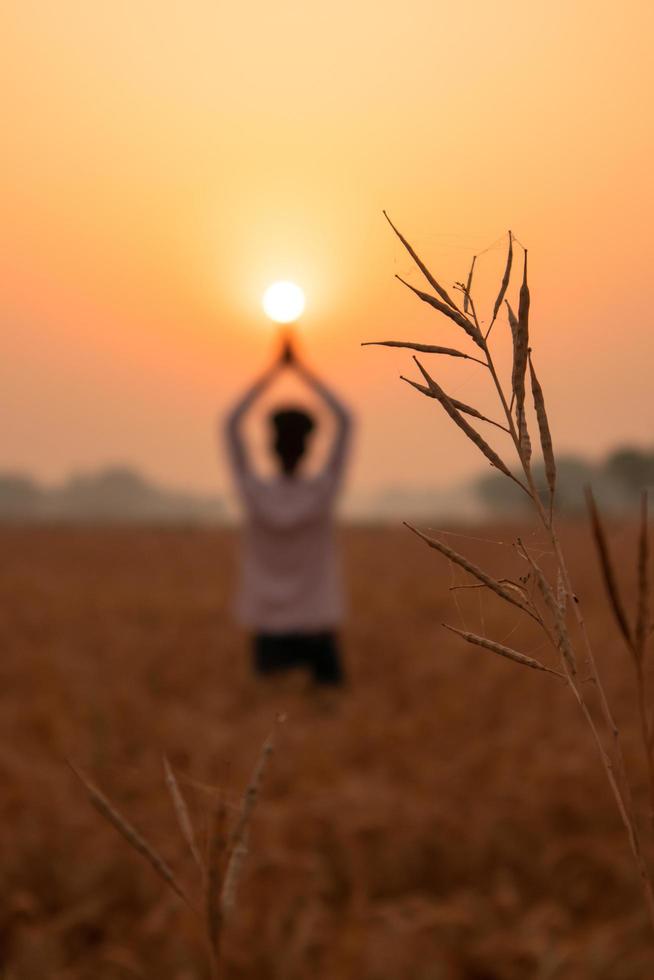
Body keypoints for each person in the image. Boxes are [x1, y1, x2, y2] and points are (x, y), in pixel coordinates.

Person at [224, 338, 352, 686]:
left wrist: (273, 372)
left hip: (266, 626)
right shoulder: (323, 492)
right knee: (329, 722)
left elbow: (231, 424)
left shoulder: (254, 493)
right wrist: (302, 370)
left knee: (269, 728)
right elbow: (346, 420)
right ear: (310, 447)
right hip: (318, 624)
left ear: (269, 444)